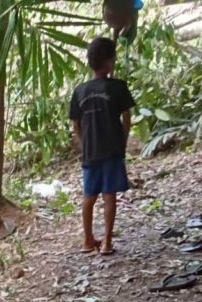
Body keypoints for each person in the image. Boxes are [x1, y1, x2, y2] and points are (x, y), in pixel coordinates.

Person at [69, 37, 135, 256]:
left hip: (90, 152)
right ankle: (106, 241)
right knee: (109, 196)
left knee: (89, 196)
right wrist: (123, 139)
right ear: (109, 62)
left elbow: (75, 125)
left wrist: (83, 144)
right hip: (112, 149)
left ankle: (87, 240)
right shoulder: (118, 87)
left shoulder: (80, 91)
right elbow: (126, 117)